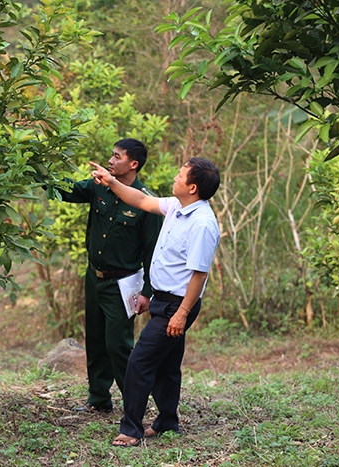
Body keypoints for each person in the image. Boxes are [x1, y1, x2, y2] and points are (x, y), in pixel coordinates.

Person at [89, 157, 221, 447]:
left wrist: (181, 314)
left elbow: (199, 275)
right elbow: (141, 200)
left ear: (193, 187)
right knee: (167, 365)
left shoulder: (202, 224)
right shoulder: (177, 207)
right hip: (163, 300)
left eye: (180, 175)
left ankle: (131, 429)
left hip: (177, 305)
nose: (175, 177)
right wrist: (111, 182)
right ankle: (167, 422)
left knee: (138, 362)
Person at [54, 138, 163, 413]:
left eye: (117, 157)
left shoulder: (145, 202)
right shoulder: (98, 187)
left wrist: (148, 292)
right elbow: (67, 191)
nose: (110, 161)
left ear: (133, 164)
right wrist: (36, 173)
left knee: (118, 345)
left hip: (123, 283)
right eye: (111, 156)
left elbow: (152, 252)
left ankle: (133, 404)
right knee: (96, 339)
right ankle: (99, 399)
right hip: (94, 278)